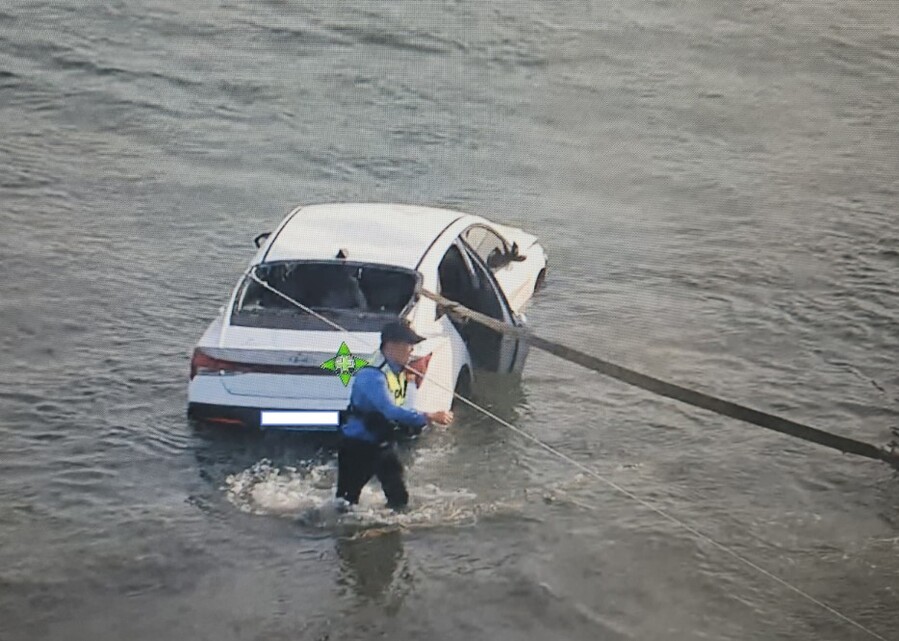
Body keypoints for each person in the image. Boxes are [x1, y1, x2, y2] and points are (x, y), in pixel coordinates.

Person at [336, 320, 454, 510]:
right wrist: (429, 416)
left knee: (399, 499)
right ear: (391, 346)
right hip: (357, 447)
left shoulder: (396, 370)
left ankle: (393, 532)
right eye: (409, 345)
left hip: (382, 443)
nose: (411, 351)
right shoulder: (372, 376)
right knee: (345, 503)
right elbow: (390, 410)